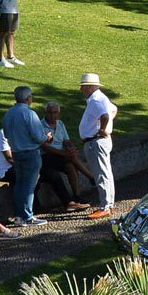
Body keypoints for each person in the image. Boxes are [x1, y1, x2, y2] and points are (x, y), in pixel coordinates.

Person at [2, 86, 47, 226]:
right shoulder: (29, 114)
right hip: (30, 153)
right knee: (29, 186)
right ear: (28, 98)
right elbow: (39, 136)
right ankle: (27, 216)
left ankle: (19, 217)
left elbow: (7, 135)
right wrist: (47, 136)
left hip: (16, 153)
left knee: (19, 184)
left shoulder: (8, 114)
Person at [37, 101, 91, 211]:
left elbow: (66, 140)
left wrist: (70, 147)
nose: (52, 115)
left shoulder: (60, 124)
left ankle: (77, 196)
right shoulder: (40, 125)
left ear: (58, 113)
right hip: (47, 157)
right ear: (45, 112)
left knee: (71, 166)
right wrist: (65, 153)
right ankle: (90, 176)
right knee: (70, 157)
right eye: (50, 112)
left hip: (61, 156)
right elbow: (45, 147)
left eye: (55, 112)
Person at [76, 73, 116, 219]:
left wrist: (101, 129)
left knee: (101, 175)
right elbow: (113, 109)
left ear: (90, 87)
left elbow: (105, 115)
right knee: (106, 174)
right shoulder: (100, 98)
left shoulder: (96, 100)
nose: (81, 89)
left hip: (96, 141)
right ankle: (108, 205)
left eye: (83, 86)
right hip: (97, 140)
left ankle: (105, 206)